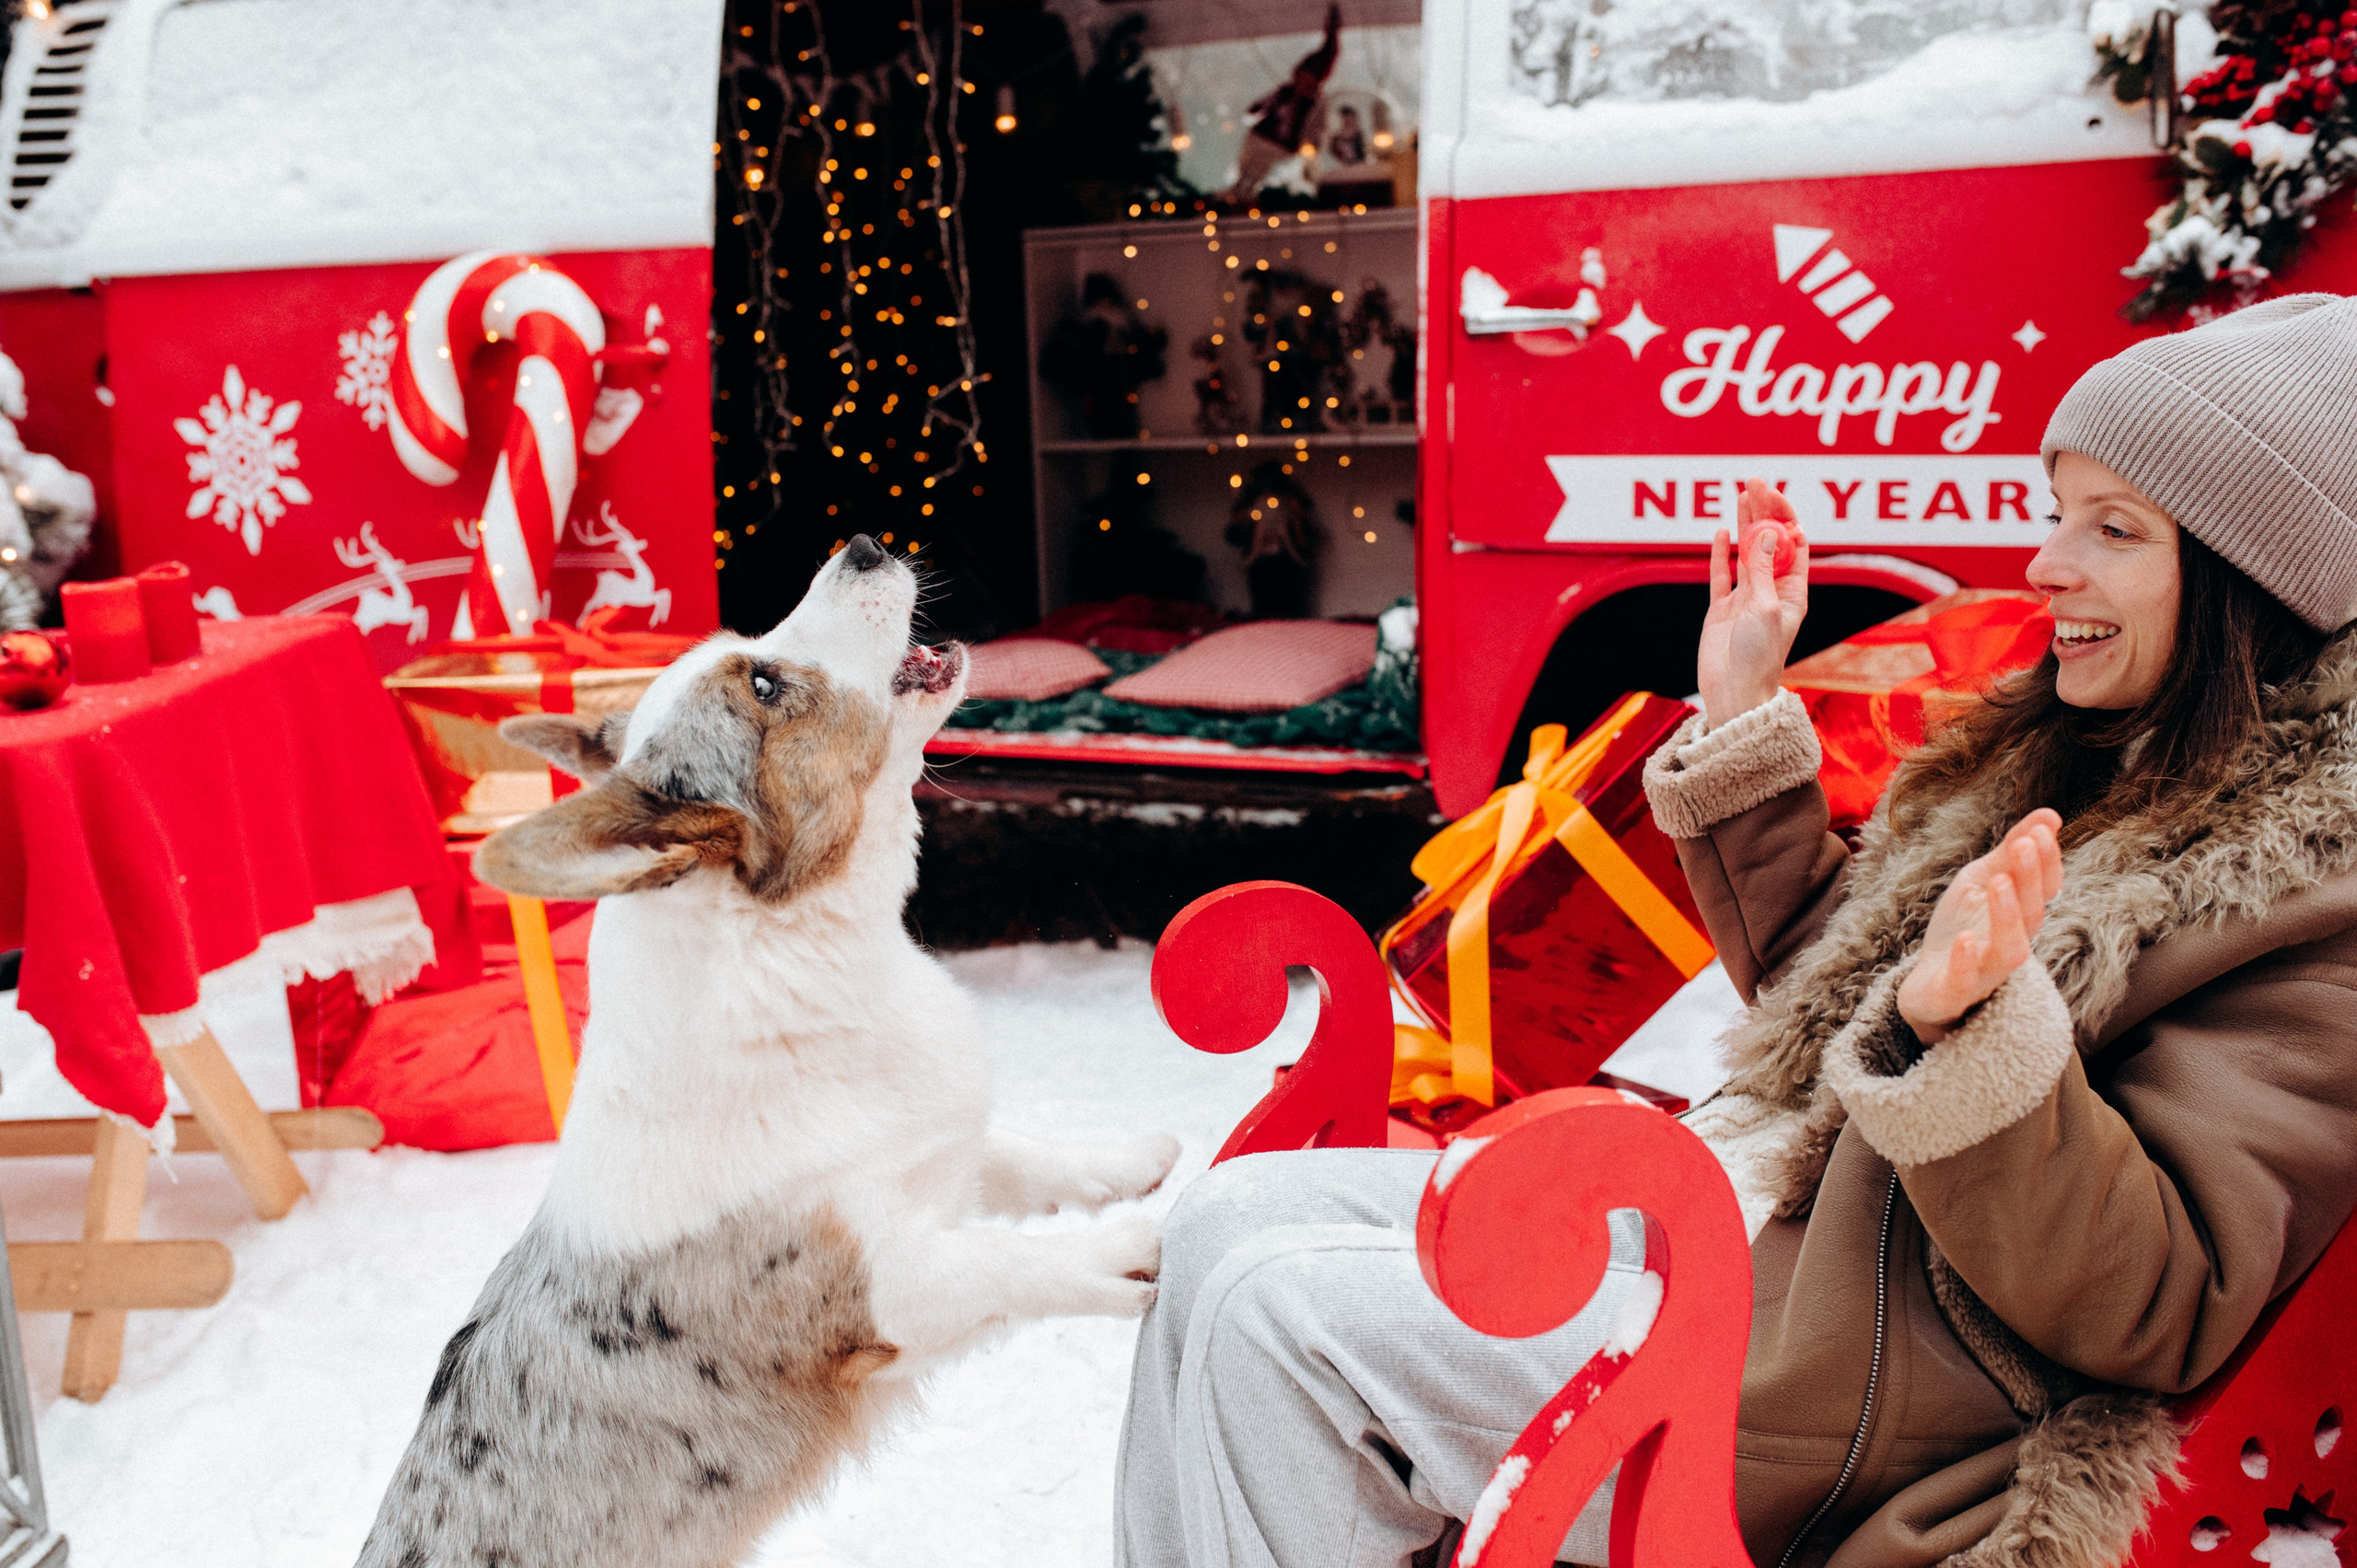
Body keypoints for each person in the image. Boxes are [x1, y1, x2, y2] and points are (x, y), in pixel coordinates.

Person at [1113, 293, 2357, 1568]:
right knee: (1233, 1220)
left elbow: (2162, 1304)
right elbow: (1843, 997)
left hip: (1851, 1388)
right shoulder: (2091, 751)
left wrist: (1982, 1039)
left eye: (2114, 529)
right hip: (1750, 1222)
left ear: (2247, 579)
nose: (2047, 563)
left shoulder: (2313, 898)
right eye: (2058, 511)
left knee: (1278, 1320)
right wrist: (1745, 707)